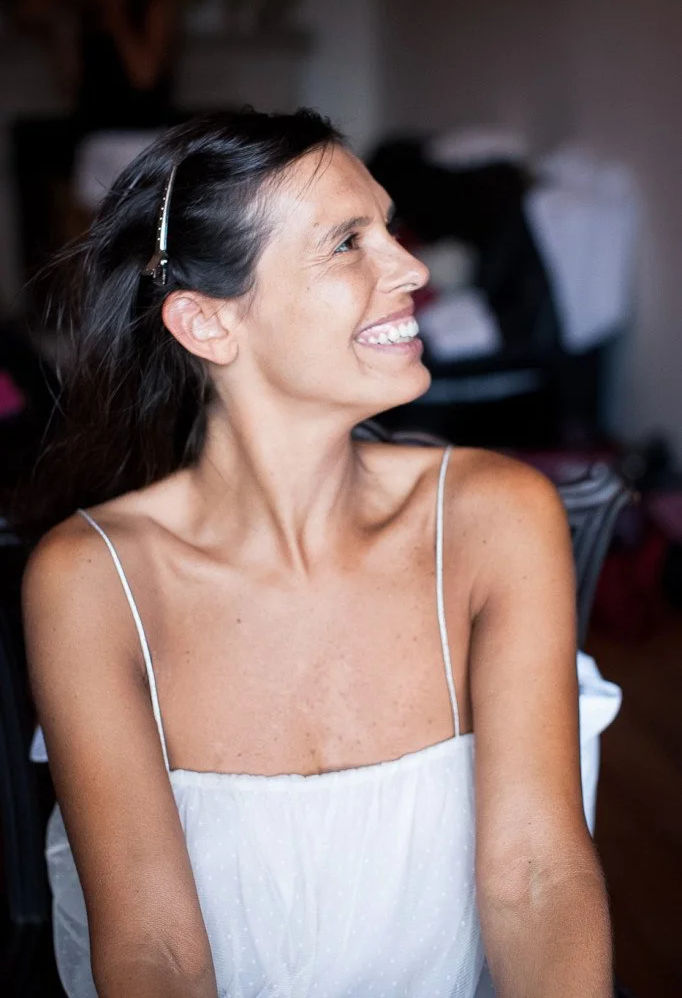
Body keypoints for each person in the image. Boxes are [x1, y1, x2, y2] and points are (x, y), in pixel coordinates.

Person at [21, 108, 614, 997]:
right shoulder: (94, 582)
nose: (412, 268)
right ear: (207, 324)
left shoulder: (497, 518)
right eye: (347, 243)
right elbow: (155, 951)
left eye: (389, 229)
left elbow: (536, 876)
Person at [10, 0, 177, 283]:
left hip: (140, 140)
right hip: (95, 141)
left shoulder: (148, 3)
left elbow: (144, 75)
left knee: (144, 241)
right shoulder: (84, 14)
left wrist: (115, 14)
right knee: (89, 246)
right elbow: (71, 86)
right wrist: (55, 33)